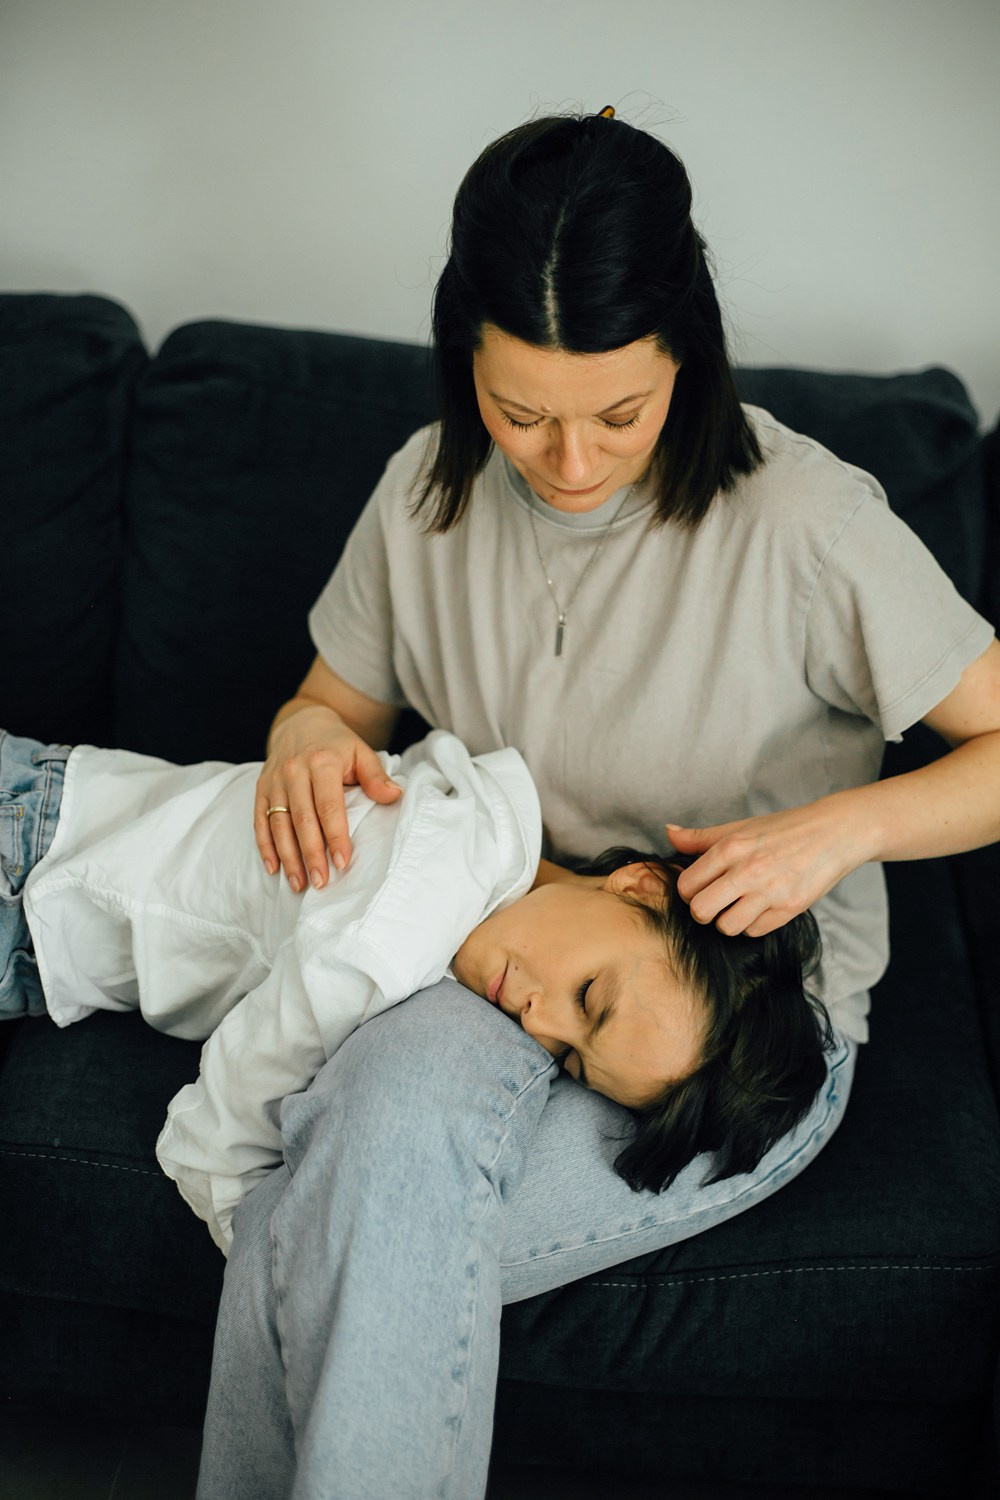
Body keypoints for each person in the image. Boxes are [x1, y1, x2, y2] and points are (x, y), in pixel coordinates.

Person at [192, 108, 1000, 1499]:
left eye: (620, 414)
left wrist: (840, 829)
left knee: (332, 1217)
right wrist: (304, 741)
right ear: (465, 364)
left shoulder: (810, 526)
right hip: (495, 946)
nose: (570, 464)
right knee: (367, 1168)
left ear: (687, 355)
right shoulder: (426, 493)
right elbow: (326, 705)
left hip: (728, 1013)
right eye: (522, 415)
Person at [1, 725, 831, 1255]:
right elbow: (240, 1092)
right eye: (588, 998)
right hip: (32, 855)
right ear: (641, 885)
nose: (537, 1021)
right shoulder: (411, 913)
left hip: (49, 904)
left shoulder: (489, 835)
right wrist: (244, 1226)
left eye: (571, 1061)